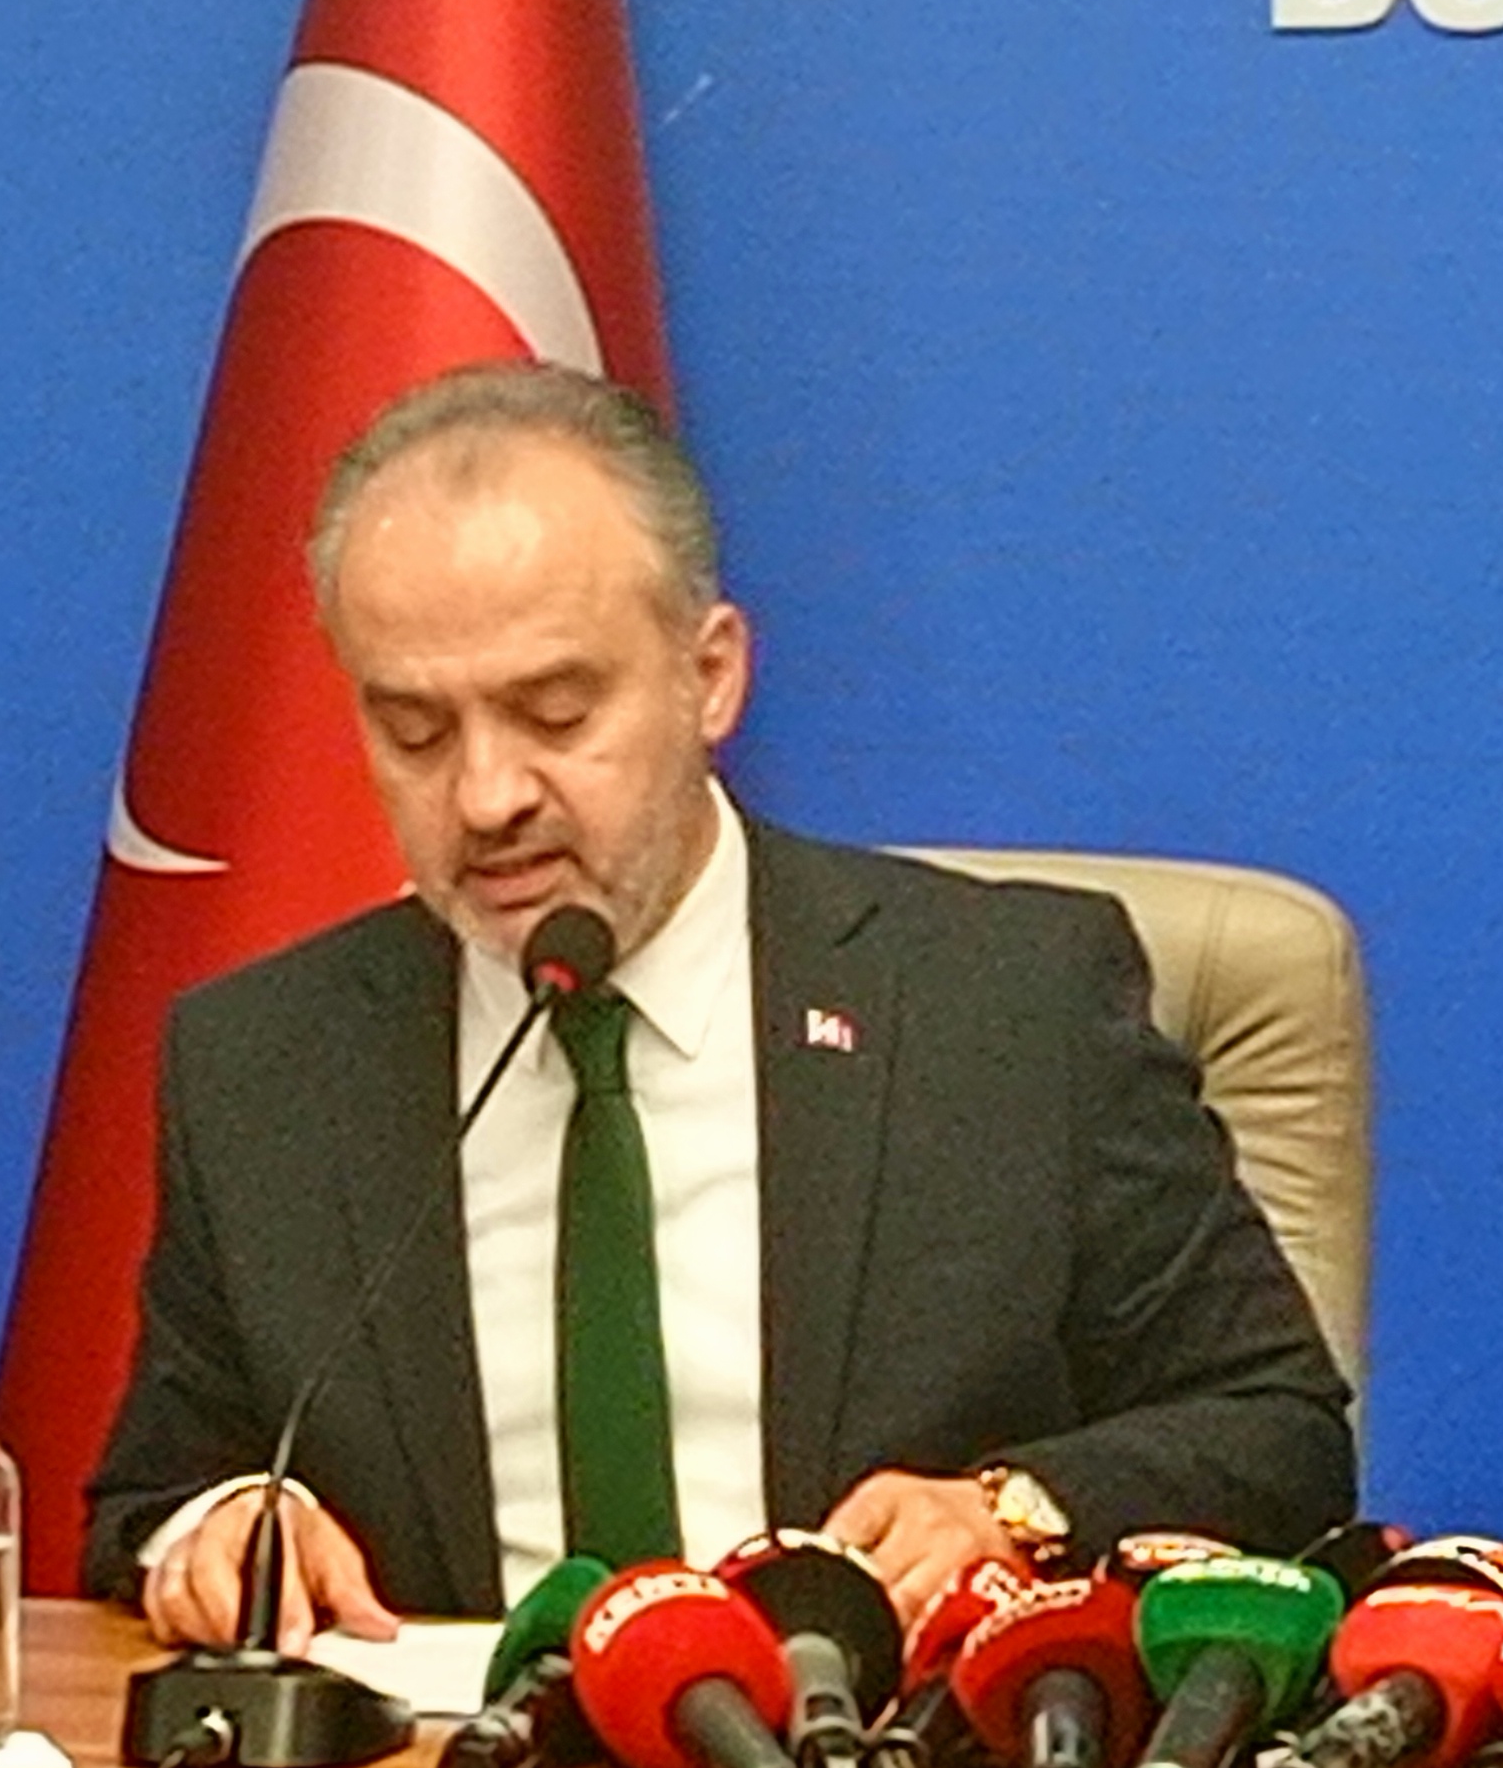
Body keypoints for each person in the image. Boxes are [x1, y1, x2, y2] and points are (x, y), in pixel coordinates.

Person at [86, 359, 1356, 1642]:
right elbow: (158, 1491)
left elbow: (1279, 1433)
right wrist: (219, 1526)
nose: (486, 796)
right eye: (416, 731)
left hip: (872, 1753)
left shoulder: (1009, 1007)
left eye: (555, 713)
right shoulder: (265, 1064)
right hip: (444, 1762)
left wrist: (1009, 1511)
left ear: (711, 676)